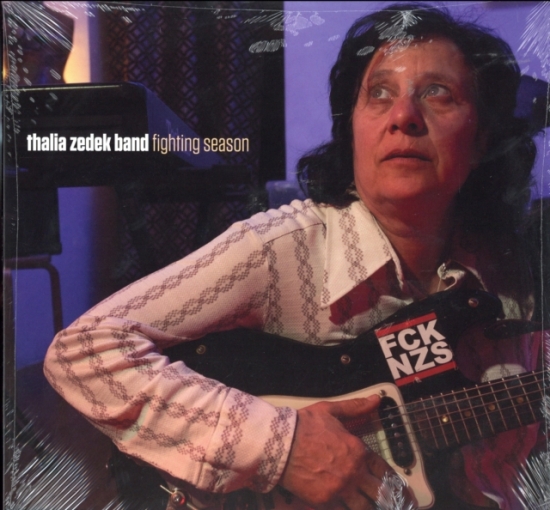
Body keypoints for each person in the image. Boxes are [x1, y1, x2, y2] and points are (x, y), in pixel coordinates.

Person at [44, 4, 542, 509]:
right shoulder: (283, 246)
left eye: (438, 93)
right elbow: (82, 351)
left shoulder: (510, 273)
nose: (404, 116)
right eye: (379, 93)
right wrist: (279, 448)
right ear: (352, 130)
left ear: (482, 139)